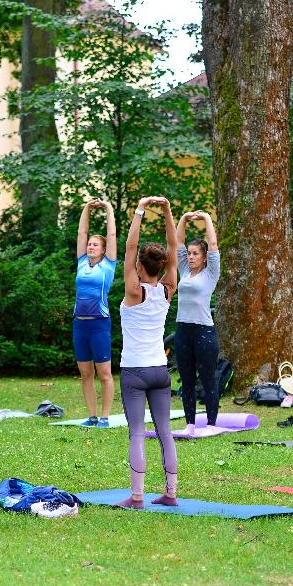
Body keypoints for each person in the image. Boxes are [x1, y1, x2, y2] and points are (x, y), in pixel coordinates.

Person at [116, 196, 179, 509]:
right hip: (160, 370)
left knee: (138, 433)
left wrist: (140, 209)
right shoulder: (168, 289)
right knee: (165, 432)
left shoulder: (134, 290)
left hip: (135, 372)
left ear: (140, 265)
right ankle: (171, 493)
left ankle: (137, 496)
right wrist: (168, 212)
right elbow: (174, 248)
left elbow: (129, 248)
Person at [174, 209, 220, 435]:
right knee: (187, 379)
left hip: (204, 332)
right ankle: (190, 423)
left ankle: (211, 423)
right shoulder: (183, 271)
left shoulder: (211, 273)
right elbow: (177, 241)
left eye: (195, 254)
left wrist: (206, 219)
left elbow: (212, 244)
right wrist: (183, 219)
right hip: (183, 330)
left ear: (204, 257)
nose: (190, 257)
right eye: (189, 254)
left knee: (208, 378)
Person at [73, 199, 117, 427]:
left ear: (103, 250)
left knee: (104, 373)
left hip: (99, 324)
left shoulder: (108, 265)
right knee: (85, 373)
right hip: (80, 325)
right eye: (89, 244)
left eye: (95, 245)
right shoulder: (81, 263)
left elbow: (111, 236)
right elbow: (81, 232)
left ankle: (105, 416)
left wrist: (108, 208)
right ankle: (91, 415)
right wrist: (87, 208)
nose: (90, 247)